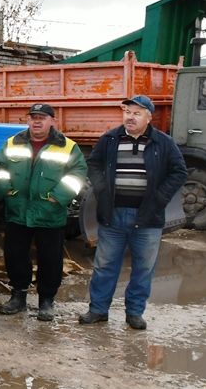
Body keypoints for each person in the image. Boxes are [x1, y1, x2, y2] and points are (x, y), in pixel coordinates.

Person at [79, 95, 187, 330]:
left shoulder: (164, 143)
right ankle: (98, 310)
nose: (130, 117)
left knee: (143, 268)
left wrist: (159, 198)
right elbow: (93, 164)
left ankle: (135, 313)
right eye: (127, 112)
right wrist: (101, 189)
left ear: (149, 117)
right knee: (105, 265)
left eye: (137, 113)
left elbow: (179, 172)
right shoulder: (109, 139)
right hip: (113, 215)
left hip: (147, 218)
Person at [0, 103, 87, 322]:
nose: (37, 121)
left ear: (52, 121)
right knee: (15, 255)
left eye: (42, 118)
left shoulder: (67, 146)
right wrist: (5, 190)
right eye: (33, 117)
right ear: (27, 120)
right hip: (18, 210)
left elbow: (78, 173)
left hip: (49, 212)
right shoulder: (12, 142)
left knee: (50, 259)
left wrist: (59, 196)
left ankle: (46, 301)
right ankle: (18, 297)